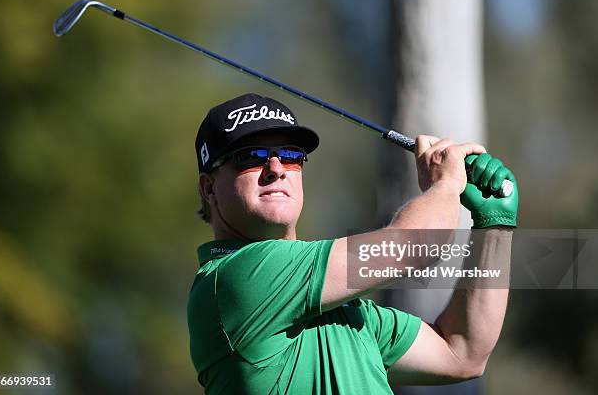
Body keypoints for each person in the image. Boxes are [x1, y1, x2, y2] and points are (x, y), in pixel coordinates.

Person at [187, 93, 518, 394]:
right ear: (209, 188)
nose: (276, 168)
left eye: (290, 155)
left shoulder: (344, 309)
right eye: (251, 156)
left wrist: (494, 226)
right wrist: (446, 183)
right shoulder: (233, 280)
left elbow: (461, 353)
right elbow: (415, 244)